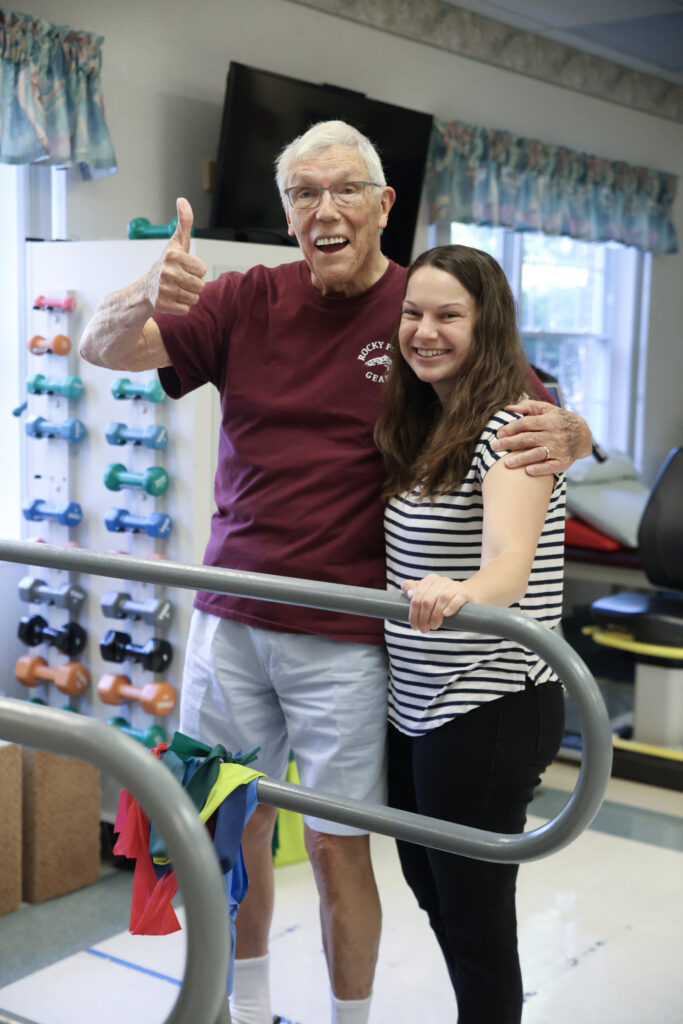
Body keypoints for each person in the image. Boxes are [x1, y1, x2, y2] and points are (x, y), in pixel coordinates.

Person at [79, 120, 591, 1024]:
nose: (326, 210)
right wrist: (140, 293)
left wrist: (581, 435)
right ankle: (238, 1005)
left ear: (384, 203)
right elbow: (103, 349)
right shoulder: (244, 299)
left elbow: (526, 416)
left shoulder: (419, 310)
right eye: (304, 194)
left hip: (348, 635)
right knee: (221, 829)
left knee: (337, 848)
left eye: (345, 189)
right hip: (231, 614)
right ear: (286, 215)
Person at [374, 243, 567, 1023]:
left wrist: (459, 590)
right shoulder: (422, 420)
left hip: (488, 704)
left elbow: (507, 568)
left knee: (476, 917)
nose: (424, 330)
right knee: (434, 895)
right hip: (414, 701)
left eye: (448, 314)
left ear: (486, 326)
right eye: (412, 312)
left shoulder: (515, 430)